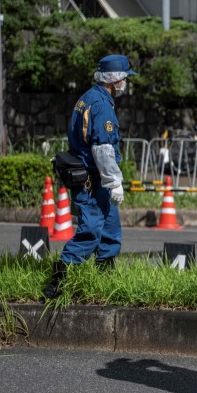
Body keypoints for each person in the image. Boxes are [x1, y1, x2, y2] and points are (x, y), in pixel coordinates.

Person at [42, 55, 136, 300]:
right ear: (114, 79)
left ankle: (105, 284)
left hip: (96, 181)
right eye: (125, 77)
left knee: (111, 231)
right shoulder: (102, 105)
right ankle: (56, 283)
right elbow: (102, 149)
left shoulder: (89, 97)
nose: (126, 82)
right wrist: (114, 183)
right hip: (93, 182)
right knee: (91, 232)